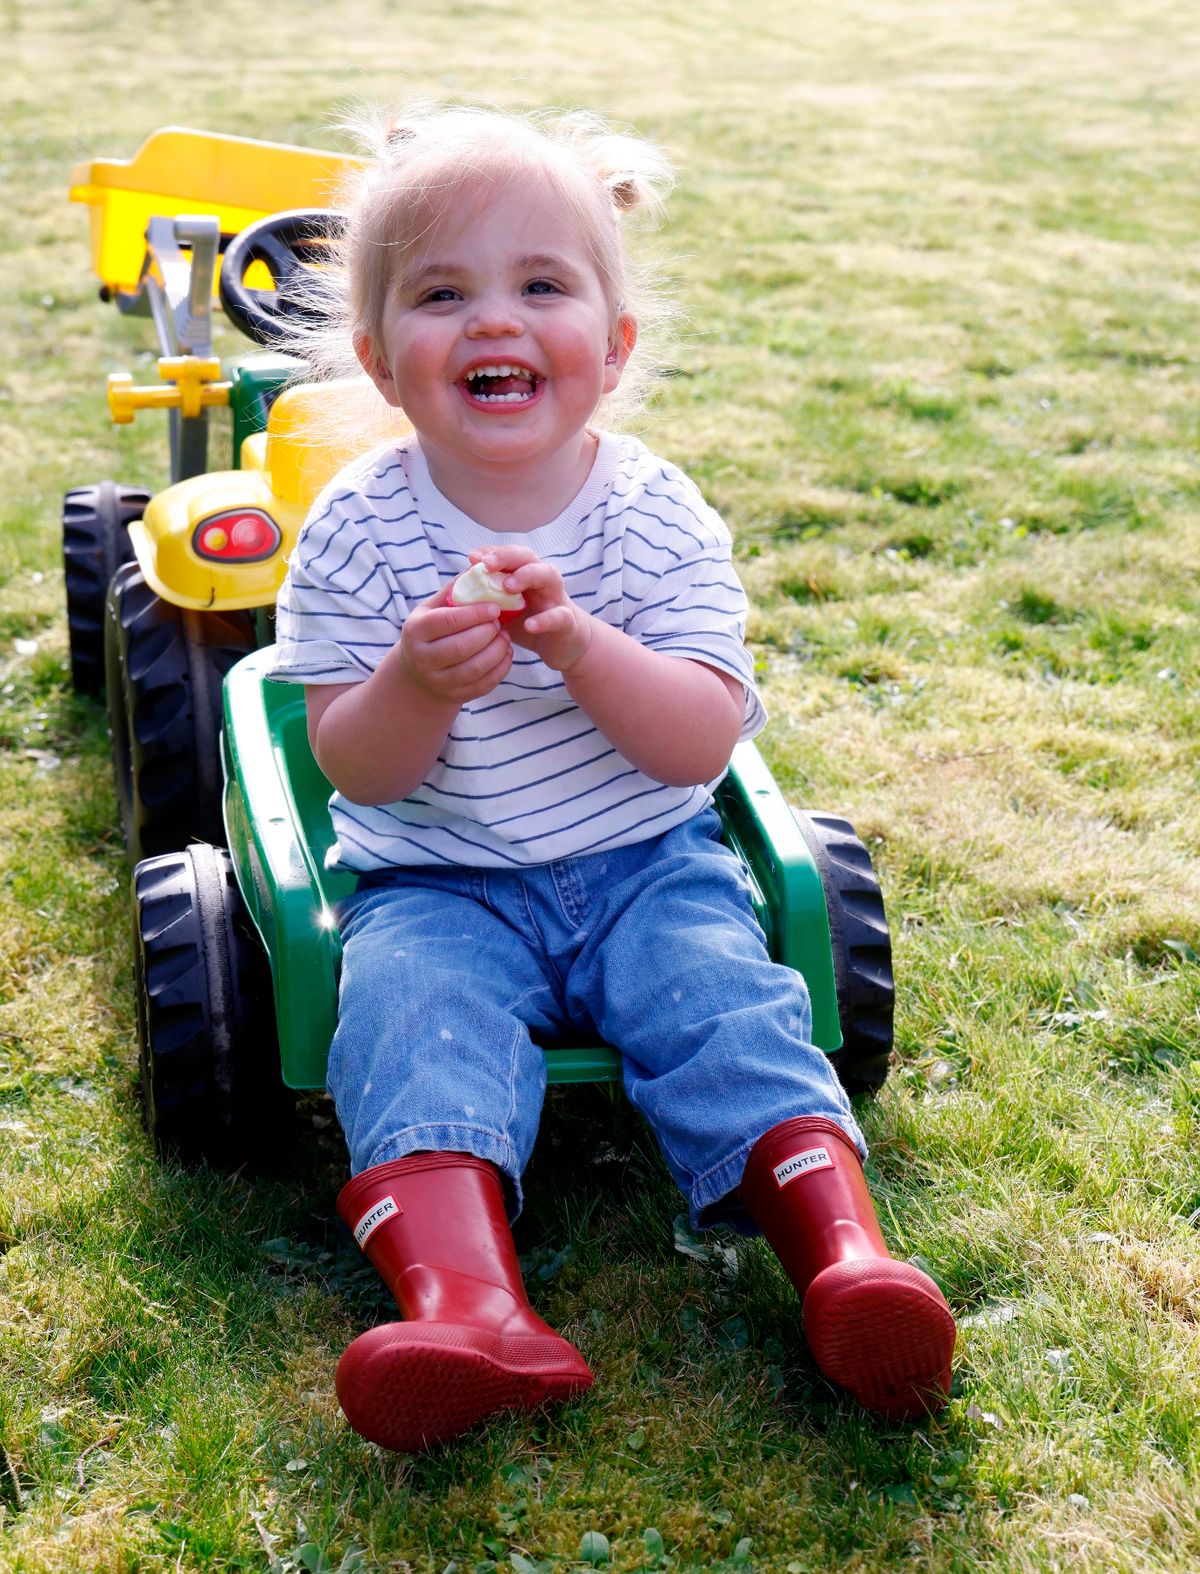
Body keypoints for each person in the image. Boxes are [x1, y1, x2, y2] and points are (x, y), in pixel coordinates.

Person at [269, 103, 956, 1452]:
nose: (494, 322)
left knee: (724, 1002)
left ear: (614, 344)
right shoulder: (357, 525)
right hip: (440, 879)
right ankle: (471, 1307)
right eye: (443, 294)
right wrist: (416, 681)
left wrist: (580, 643)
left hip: (647, 861)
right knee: (409, 1023)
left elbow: (701, 740)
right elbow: (348, 755)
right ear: (380, 360)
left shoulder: (648, 514)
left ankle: (843, 1261)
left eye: (541, 286)